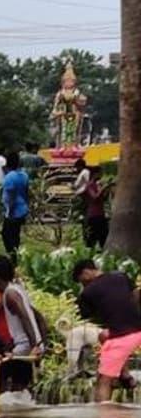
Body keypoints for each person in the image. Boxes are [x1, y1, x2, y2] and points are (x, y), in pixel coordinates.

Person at [73, 259, 141, 402]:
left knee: (104, 381)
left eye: (82, 281)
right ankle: (125, 375)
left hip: (122, 337)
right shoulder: (121, 276)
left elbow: (83, 315)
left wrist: (83, 293)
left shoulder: (88, 292)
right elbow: (135, 294)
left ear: (86, 273)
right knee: (103, 336)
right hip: (136, 328)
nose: (83, 284)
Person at [0, 257, 43, 392]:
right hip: (26, 346)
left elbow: (26, 318)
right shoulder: (18, 289)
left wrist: (35, 346)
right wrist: (41, 343)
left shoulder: (11, 294)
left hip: (25, 346)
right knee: (20, 386)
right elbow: (40, 318)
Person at [0, 157, 30, 260]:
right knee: (15, 234)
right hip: (22, 208)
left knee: (6, 234)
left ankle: (12, 255)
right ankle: (15, 253)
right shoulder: (24, 175)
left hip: (13, 210)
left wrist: (10, 211)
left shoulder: (9, 177)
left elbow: (11, 195)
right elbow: (26, 192)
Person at [83, 167, 112, 249]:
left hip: (101, 215)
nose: (101, 175)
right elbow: (95, 198)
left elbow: (103, 199)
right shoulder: (89, 186)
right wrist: (103, 188)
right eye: (100, 173)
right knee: (92, 239)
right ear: (94, 174)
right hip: (93, 216)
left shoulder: (98, 185)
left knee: (104, 237)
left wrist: (107, 189)